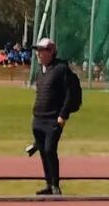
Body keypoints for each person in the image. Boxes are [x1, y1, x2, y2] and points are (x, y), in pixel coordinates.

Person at [29, 37, 80, 196]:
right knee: (44, 152)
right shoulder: (40, 73)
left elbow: (70, 94)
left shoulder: (61, 69)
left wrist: (63, 115)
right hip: (38, 119)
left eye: (42, 50)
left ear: (51, 52)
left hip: (53, 119)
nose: (38, 54)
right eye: (37, 51)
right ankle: (49, 184)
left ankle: (56, 185)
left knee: (50, 150)